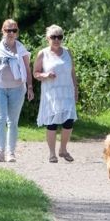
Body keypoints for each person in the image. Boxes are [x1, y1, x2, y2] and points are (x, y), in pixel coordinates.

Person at [0, 18, 32, 162]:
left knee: (12, 122)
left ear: (17, 32)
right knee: (0, 119)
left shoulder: (21, 49)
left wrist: (30, 87)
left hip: (17, 89)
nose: (11, 33)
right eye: (8, 30)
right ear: (2, 31)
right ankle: (0, 152)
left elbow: (27, 69)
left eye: (14, 30)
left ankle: (10, 153)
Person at [33, 24, 78, 163]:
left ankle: (63, 149)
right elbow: (35, 73)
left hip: (67, 92)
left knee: (69, 121)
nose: (57, 40)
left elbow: (72, 72)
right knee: (52, 123)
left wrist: (76, 89)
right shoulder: (43, 53)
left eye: (60, 37)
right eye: (54, 37)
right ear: (48, 38)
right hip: (51, 94)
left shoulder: (67, 52)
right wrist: (45, 75)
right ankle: (52, 153)